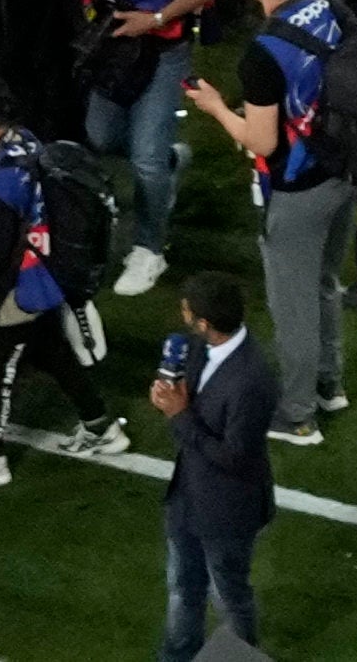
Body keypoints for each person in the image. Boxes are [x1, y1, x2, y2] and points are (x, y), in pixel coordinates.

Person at [148, 270, 278, 662]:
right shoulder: (196, 348)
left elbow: (235, 457)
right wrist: (168, 390)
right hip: (187, 499)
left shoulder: (251, 379)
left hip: (227, 511)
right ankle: (176, 656)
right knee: (182, 588)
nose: (183, 318)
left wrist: (179, 416)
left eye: (188, 313)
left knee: (228, 597)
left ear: (205, 323)